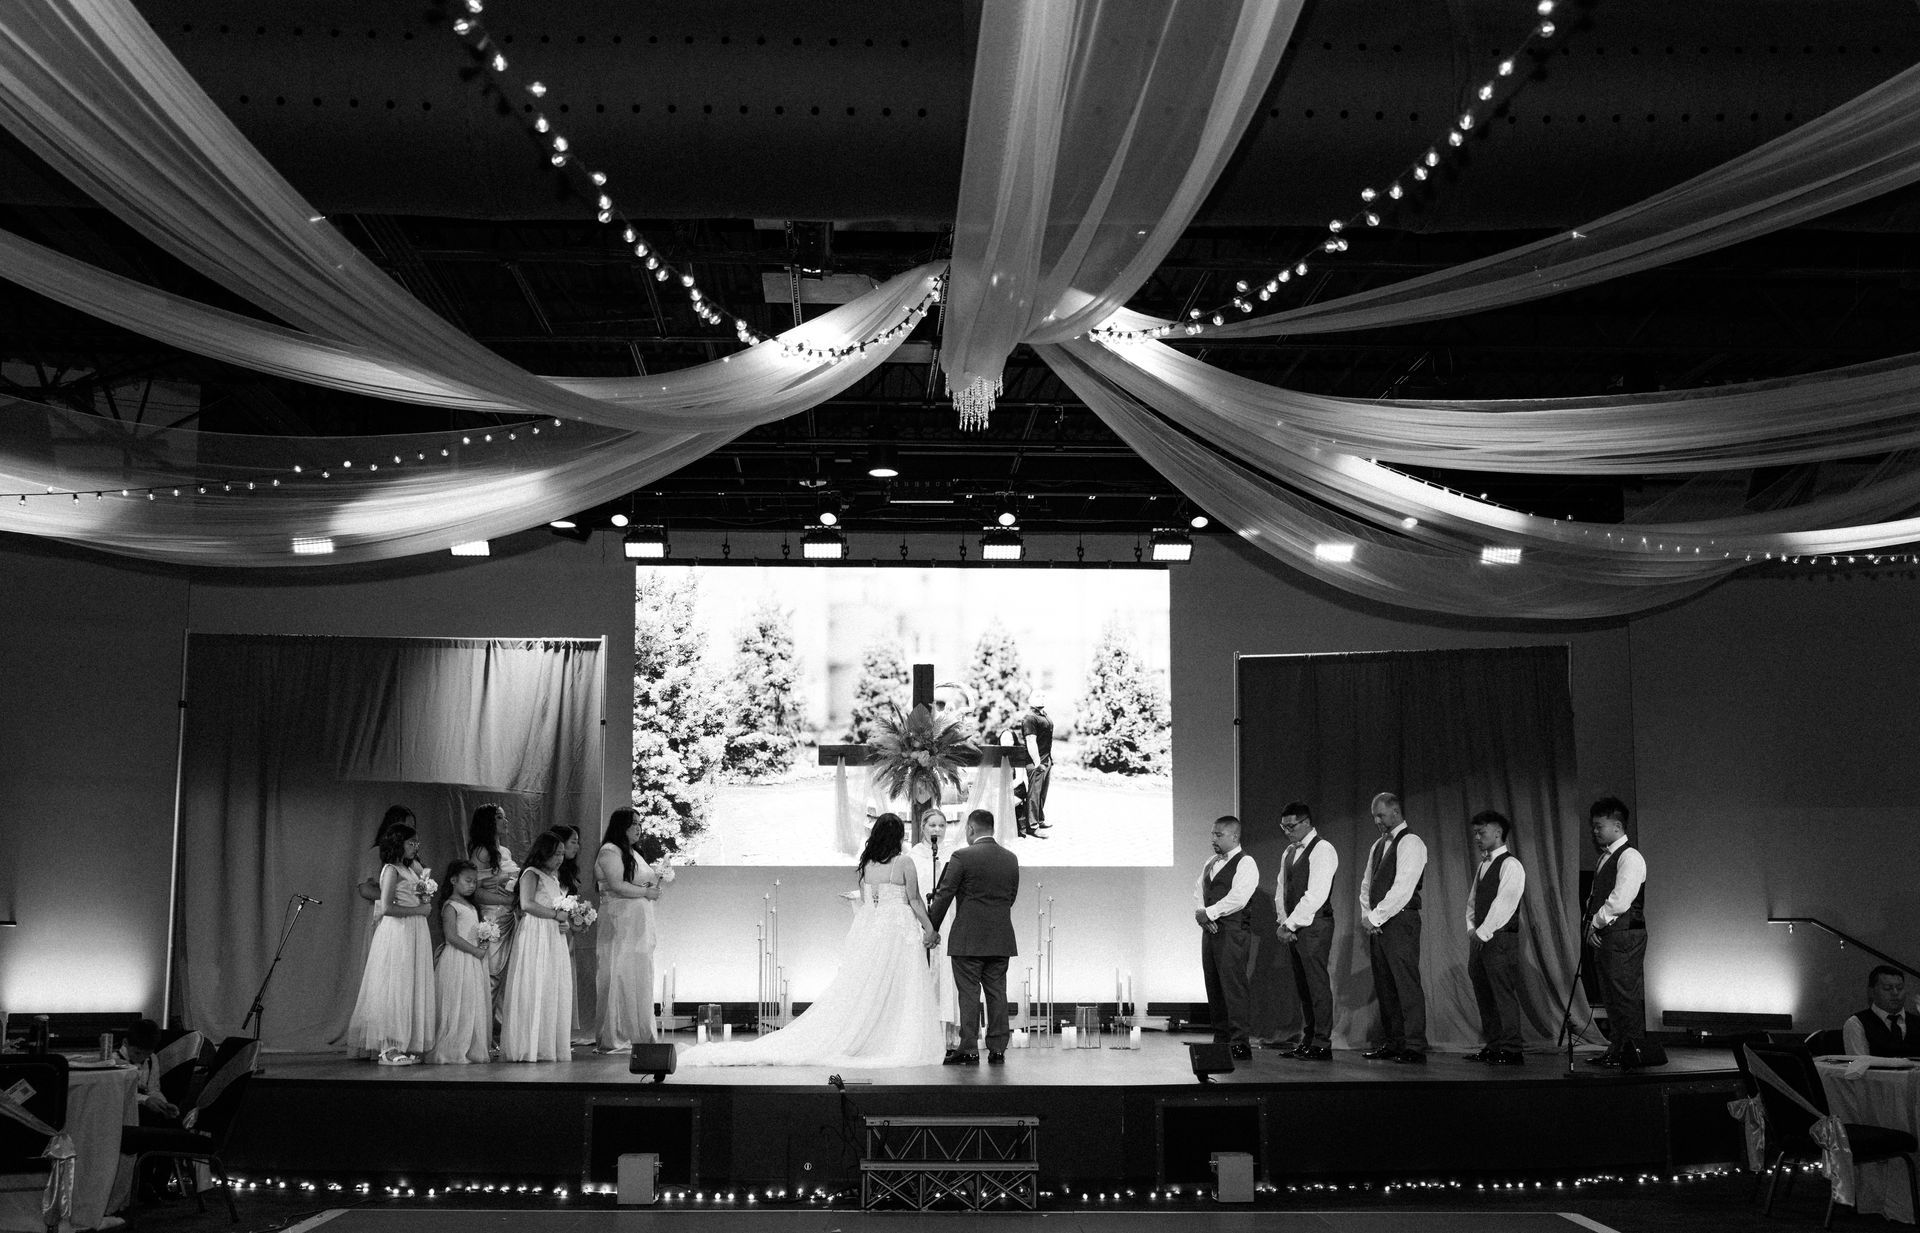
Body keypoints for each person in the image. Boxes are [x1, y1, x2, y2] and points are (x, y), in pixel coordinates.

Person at [681, 813, 944, 1068]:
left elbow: (866, 902)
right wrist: (930, 929)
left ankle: (870, 1036)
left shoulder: (868, 865)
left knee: (868, 986)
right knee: (900, 986)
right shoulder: (904, 863)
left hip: (874, 929)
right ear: (899, 837)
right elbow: (915, 900)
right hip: (898, 931)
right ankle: (893, 1039)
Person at [929, 808, 1021, 1065]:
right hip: (1001, 938)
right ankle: (998, 1048)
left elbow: (945, 894)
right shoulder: (1010, 859)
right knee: (997, 993)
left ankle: (969, 1047)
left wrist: (931, 928)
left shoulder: (962, 856)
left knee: (968, 994)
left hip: (968, 939)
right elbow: (1010, 897)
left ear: (970, 829)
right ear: (992, 829)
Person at [344, 824, 436, 1065]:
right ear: (398, 844)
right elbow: (386, 907)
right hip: (399, 932)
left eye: (417, 843)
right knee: (395, 986)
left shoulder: (413, 868)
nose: (415, 847)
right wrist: (419, 909)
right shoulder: (391, 870)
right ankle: (389, 1047)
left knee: (410, 985)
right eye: (410, 843)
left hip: (416, 930)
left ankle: (404, 1042)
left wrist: (424, 898)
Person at [1584, 796, 1664, 1067]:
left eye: (1599, 826)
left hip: (1625, 934)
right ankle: (1617, 1048)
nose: (1595, 832)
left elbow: (1620, 899)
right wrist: (1592, 924)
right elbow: (1596, 896)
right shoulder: (1604, 859)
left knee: (1624, 994)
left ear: (1617, 826)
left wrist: (1596, 922)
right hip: (1610, 934)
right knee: (1611, 996)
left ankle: (1631, 1051)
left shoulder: (1630, 856)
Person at [1359, 792, 1429, 1063]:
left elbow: (1403, 887)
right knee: (1386, 985)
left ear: (1396, 813)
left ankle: (1414, 1045)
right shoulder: (1378, 845)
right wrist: (1368, 916)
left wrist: (1376, 917)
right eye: (1374, 816)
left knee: (1405, 983)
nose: (1377, 820)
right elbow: (1367, 885)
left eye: (1381, 815)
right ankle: (1394, 1041)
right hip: (1380, 923)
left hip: (1400, 920)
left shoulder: (1411, 842)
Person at [1266, 802, 1337, 1060]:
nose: (1287, 831)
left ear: (1306, 822)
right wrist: (1283, 921)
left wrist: (1291, 924)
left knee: (1316, 985)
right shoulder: (1289, 852)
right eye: (1283, 826)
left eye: (1291, 826)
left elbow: (1316, 893)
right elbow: (1281, 890)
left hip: (1315, 925)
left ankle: (1322, 1042)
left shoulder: (1323, 849)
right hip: (1294, 926)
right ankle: (1308, 1038)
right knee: (1303, 987)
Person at [594, 808, 666, 1053]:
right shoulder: (610, 851)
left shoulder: (634, 852)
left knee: (639, 973)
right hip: (620, 920)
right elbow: (616, 885)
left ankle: (639, 1032)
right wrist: (646, 892)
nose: (638, 828)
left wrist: (653, 886)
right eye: (632, 824)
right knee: (620, 971)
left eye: (639, 824)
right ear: (620, 826)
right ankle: (617, 1033)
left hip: (638, 921)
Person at [498, 831, 573, 1062]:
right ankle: (528, 1044)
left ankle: (546, 1043)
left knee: (551, 985)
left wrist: (564, 922)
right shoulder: (531, 873)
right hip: (535, 934)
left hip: (552, 935)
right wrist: (555, 915)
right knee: (535, 984)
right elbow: (527, 903)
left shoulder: (555, 876)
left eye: (562, 853)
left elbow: (558, 907)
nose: (560, 858)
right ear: (544, 852)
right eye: (556, 853)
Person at [1464, 810, 1527, 1065]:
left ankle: (1511, 1049)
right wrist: (1471, 927)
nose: (1478, 837)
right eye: (1476, 833)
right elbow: (1473, 901)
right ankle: (1494, 1044)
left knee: (1502, 993)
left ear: (1498, 832)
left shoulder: (1511, 865)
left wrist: (1482, 931)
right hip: (1480, 938)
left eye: (1482, 832)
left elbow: (1505, 904)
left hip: (1499, 939)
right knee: (1484, 993)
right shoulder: (1483, 864)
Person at [1193, 815, 1258, 1060]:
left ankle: (1240, 1041)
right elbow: (1199, 890)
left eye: (1218, 835)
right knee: (1214, 985)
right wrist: (1203, 914)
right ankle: (1221, 1037)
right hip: (1210, 932)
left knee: (1233, 987)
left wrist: (1210, 913)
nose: (1213, 839)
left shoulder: (1246, 863)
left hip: (1232, 932)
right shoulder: (1210, 862)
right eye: (1212, 834)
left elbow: (1239, 898)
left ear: (1234, 836)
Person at [907, 808, 964, 1047]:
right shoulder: (913, 855)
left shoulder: (953, 854)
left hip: (948, 919)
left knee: (946, 972)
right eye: (932, 826)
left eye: (941, 826)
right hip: (921, 919)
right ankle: (922, 1029)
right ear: (923, 827)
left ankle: (947, 1031)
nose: (937, 830)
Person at [427, 860, 492, 1064]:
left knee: (471, 1001)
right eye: (468, 881)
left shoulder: (471, 906)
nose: (472, 885)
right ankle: (451, 1047)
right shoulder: (451, 906)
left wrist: (483, 940)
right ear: (454, 880)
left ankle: (471, 1046)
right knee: (456, 1000)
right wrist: (474, 950)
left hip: (472, 960)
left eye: (475, 882)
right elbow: (451, 937)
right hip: (458, 959)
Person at [467, 804, 519, 1005]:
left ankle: (497, 1026)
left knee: (506, 975)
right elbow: (475, 891)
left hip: (509, 915)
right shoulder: (482, 852)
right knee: (491, 973)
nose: (505, 822)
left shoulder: (504, 851)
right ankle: (482, 1030)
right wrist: (507, 899)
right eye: (499, 817)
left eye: (504, 817)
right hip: (493, 917)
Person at [548, 824, 591, 1044]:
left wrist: (579, 921)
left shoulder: (568, 872)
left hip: (565, 934)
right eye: (573, 841)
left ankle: (559, 1035)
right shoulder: (545, 874)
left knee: (564, 983)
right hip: (549, 933)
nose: (577, 845)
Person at [1842, 966, 1920, 1057]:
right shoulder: (1857, 1023)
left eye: (1900, 988)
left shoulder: (1917, 1022)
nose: (1895, 993)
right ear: (1871, 992)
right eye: (1887, 988)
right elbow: (1860, 1066)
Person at [1011, 693, 1054, 831]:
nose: (1041, 697)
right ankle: (1032, 825)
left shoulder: (1044, 715)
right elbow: (1031, 741)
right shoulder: (1030, 717)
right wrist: (1037, 763)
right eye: (1037, 695)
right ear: (1030, 700)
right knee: (1034, 794)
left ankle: (1040, 819)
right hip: (1036, 761)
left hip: (1046, 759)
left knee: (1042, 793)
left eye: (1043, 695)